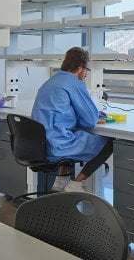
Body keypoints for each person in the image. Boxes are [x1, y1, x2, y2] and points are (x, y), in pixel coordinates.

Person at [31, 47, 113, 193]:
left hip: (39, 143)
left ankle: (61, 179)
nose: (86, 74)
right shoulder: (74, 83)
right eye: (87, 69)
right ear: (80, 68)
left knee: (72, 131)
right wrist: (94, 114)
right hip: (58, 145)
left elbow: (61, 113)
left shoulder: (51, 80)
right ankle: (76, 183)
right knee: (109, 141)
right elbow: (90, 121)